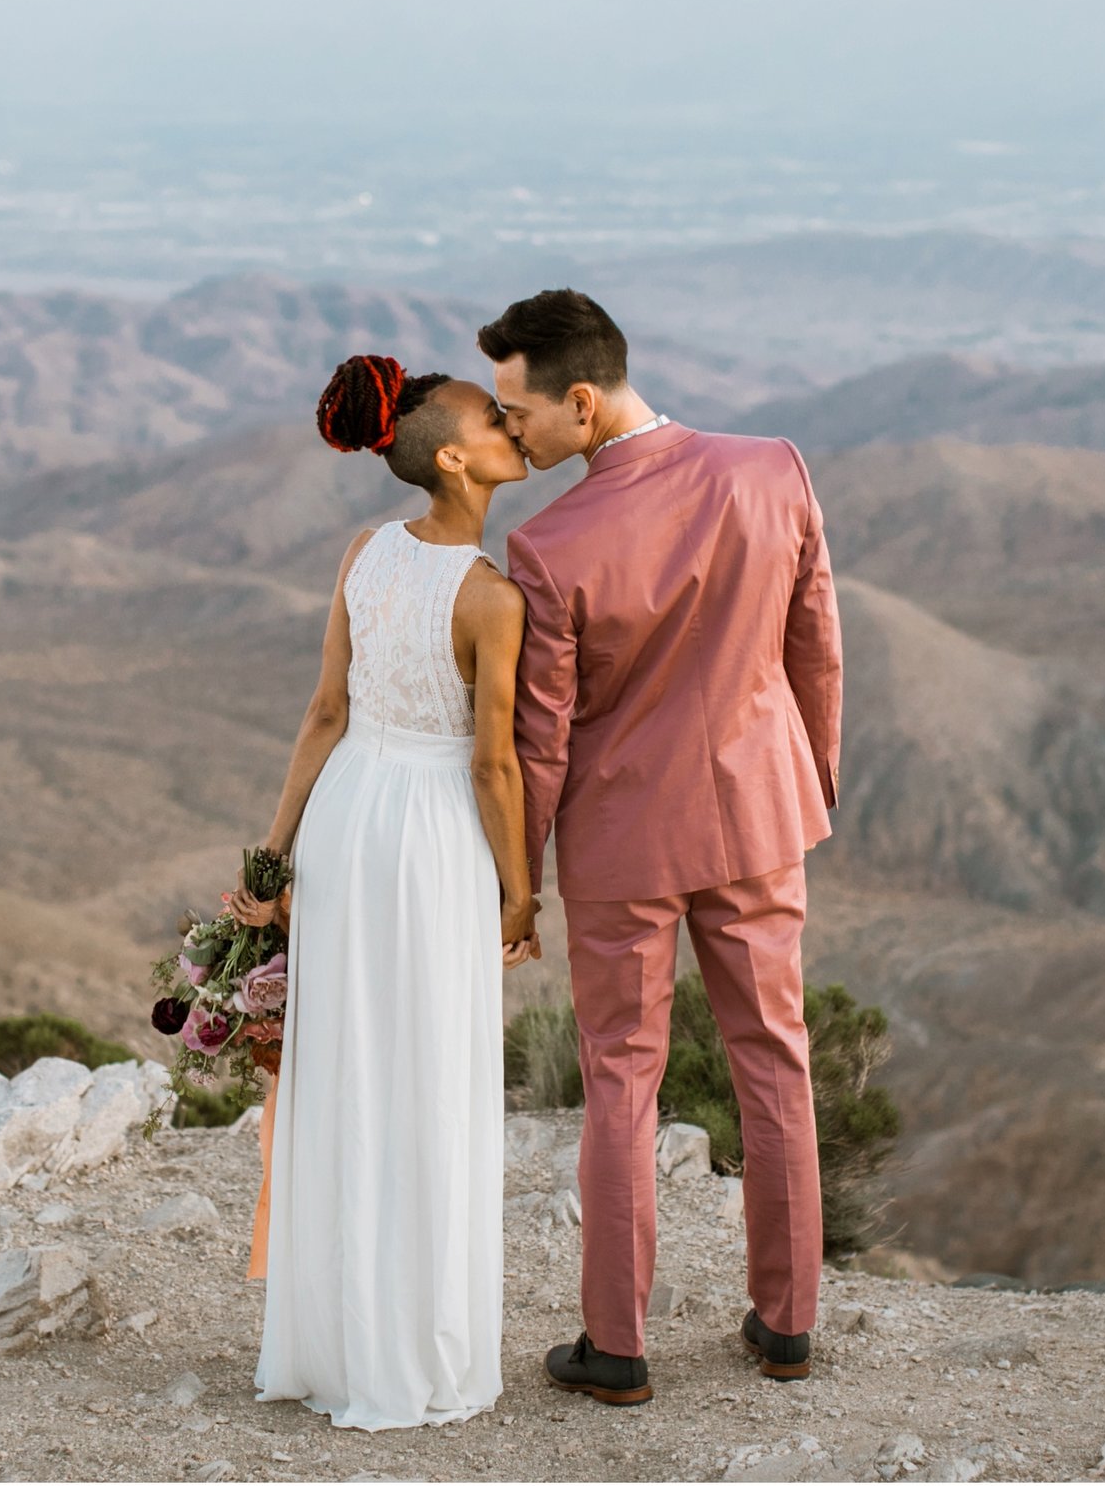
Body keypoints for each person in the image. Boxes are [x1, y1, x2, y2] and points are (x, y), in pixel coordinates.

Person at [483, 289, 843, 1405]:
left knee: (619, 1081)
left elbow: (541, 741)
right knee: (775, 1059)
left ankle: (618, 1346)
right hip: (758, 818)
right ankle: (787, 1325)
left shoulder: (546, 544)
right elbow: (814, 644)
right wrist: (807, 785)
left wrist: (520, 881)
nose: (510, 437)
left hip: (620, 845)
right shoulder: (770, 468)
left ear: (580, 401)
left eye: (518, 412)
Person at [236, 354, 543, 1431]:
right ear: (454, 459)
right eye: (489, 421)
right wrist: (520, 893)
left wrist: (271, 862)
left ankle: (332, 1341)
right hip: (428, 841)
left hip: (346, 819)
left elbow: (324, 711)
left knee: (346, 1066)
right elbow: (492, 765)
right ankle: (413, 1349)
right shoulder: (491, 598)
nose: (510, 426)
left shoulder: (365, 555)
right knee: (426, 1071)